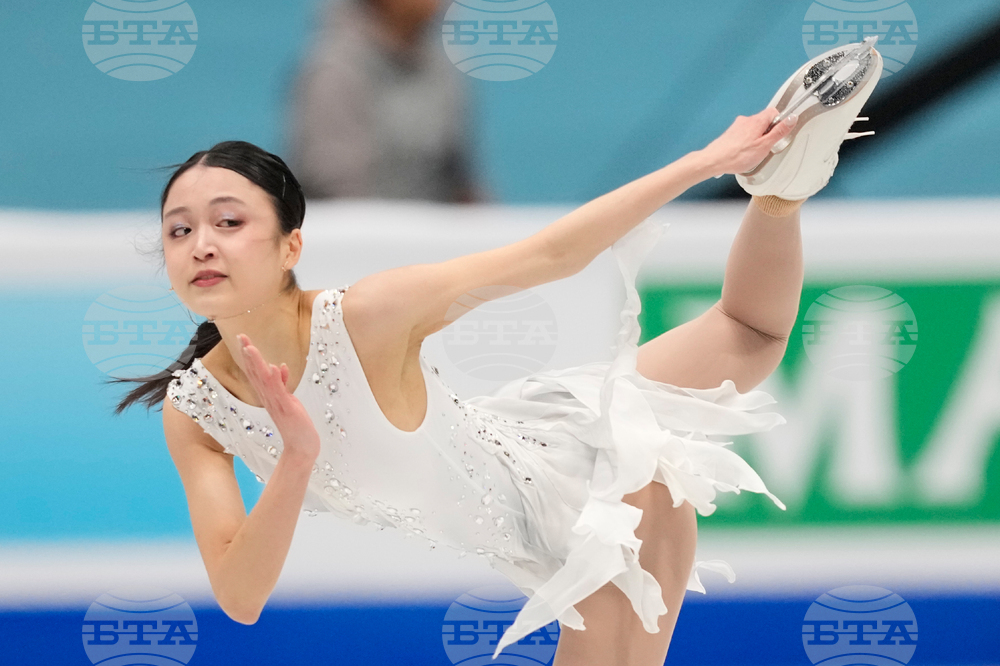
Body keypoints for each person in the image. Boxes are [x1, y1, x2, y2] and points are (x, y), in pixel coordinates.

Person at [108, 39, 883, 666]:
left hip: (606, 491)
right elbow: (241, 597)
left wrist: (707, 160)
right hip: (529, 445)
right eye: (180, 229)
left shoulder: (369, 316)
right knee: (749, 334)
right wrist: (296, 460)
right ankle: (786, 193)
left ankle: (778, 188)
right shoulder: (197, 412)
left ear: (291, 246)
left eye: (229, 222)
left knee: (751, 336)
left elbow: (549, 255)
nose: (200, 244)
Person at [286, 0, 483, 203]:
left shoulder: (443, 71)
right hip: (356, 228)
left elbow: (460, 180)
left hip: (430, 228)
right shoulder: (334, 71)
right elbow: (336, 188)